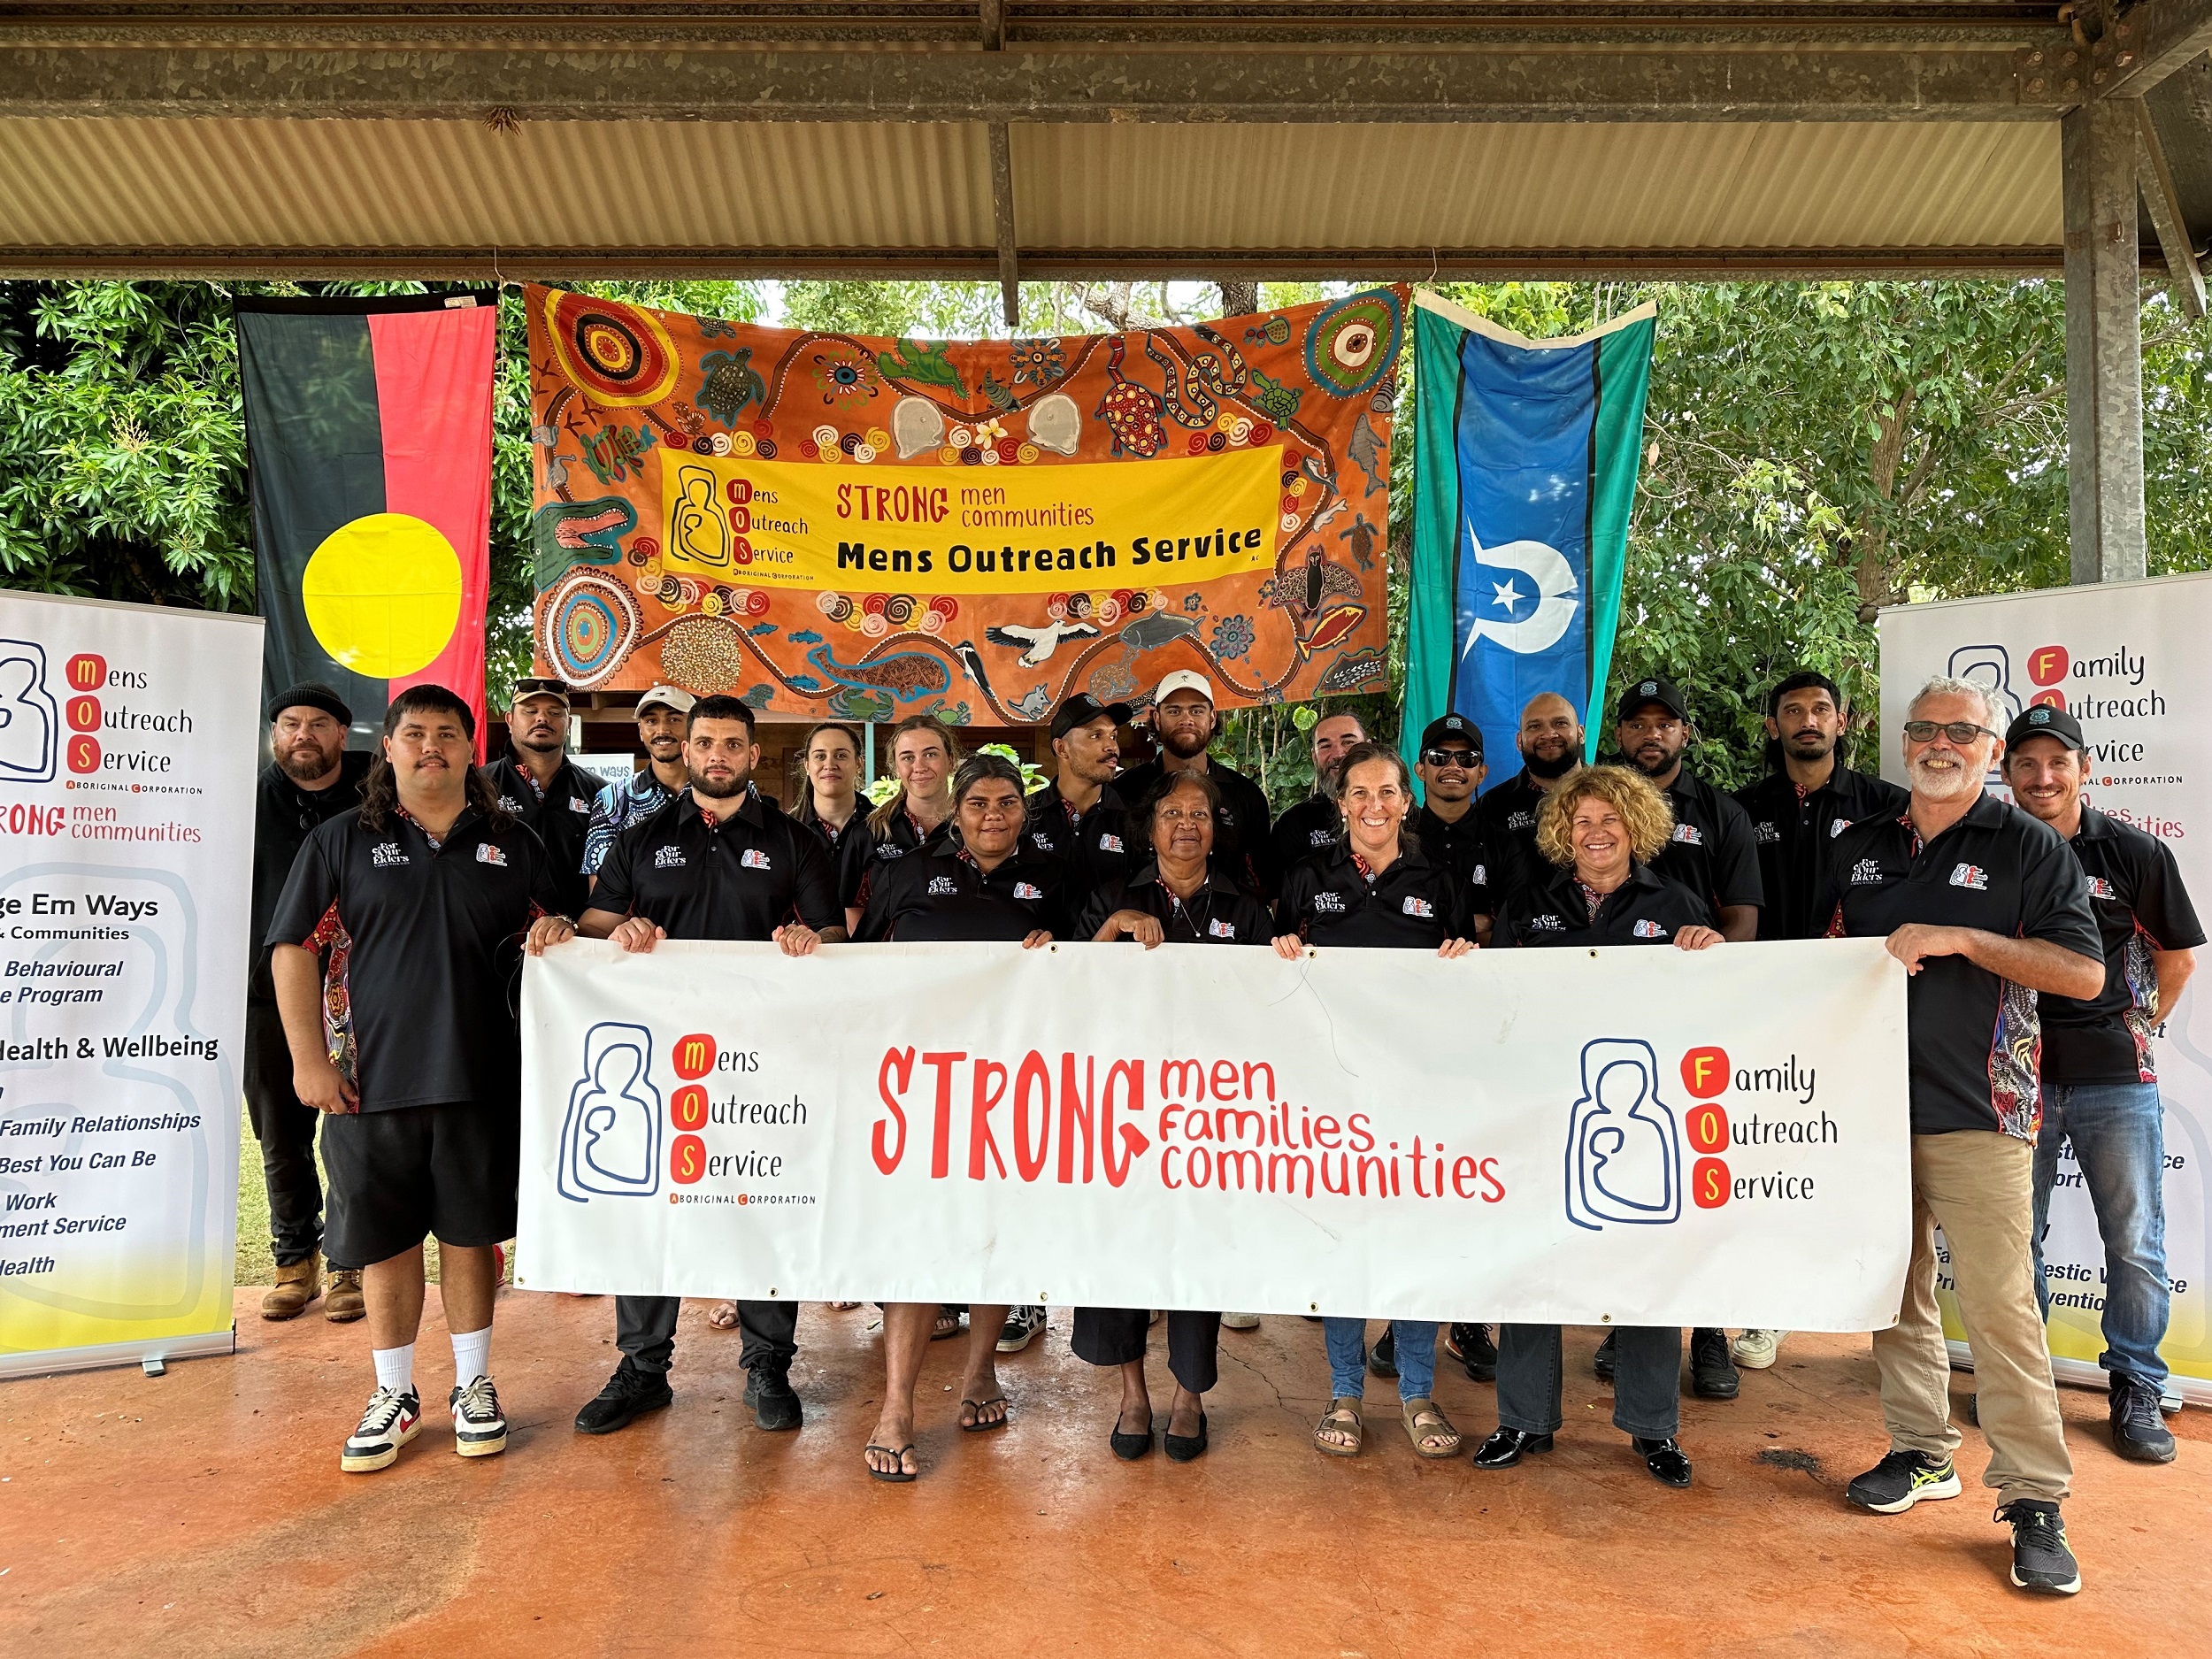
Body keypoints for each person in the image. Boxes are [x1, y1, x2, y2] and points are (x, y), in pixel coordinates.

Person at [1820, 676, 2104, 1596]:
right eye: (1926, 729)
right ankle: (1920, 1450)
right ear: (1905, 742)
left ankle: (2034, 1498)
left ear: (1991, 751)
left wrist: (1965, 939)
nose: (1941, 743)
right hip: (1868, 1114)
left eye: (1962, 731)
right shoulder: (1858, 845)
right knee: (1894, 1292)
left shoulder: (2028, 845)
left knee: (1999, 1308)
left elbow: (2083, 975)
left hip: (1983, 1112)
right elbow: (1819, 963)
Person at [266, 685, 570, 1475]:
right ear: (390, 748)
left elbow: (563, 934)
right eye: (415, 733)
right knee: (387, 1242)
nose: (431, 745)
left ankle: (473, 1384)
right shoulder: (341, 839)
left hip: (481, 1078)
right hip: (369, 1084)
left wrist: (558, 926)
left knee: (470, 1238)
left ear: (472, 750)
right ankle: (393, 1393)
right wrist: (308, 1059)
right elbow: (293, 948)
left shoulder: (514, 842)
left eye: (447, 733)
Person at [553, 695, 845, 1444]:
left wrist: (808, 940)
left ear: (753, 754)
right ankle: (642, 1367)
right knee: (652, 1198)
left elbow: (834, 933)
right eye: (706, 742)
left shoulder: (794, 842)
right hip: (662, 1062)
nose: (718, 755)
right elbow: (593, 926)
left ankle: (768, 1362)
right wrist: (618, 928)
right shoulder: (642, 838)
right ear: (685, 750)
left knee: (761, 1196)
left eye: (733, 743)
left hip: (764, 1063)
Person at [1479, 764, 1723, 1488]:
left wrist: (1710, 957)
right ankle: (1523, 1418)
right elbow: (1493, 1003)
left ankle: (1653, 1427)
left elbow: (1710, 1008)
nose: (1596, 832)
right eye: (1582, 820)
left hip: (1642, 1114)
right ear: (1563, 831)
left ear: (1636, 825)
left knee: (1647, 1262)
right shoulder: (1530, 905)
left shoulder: (1675, 904)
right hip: (1544, 1110)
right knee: (1532, 1260)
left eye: (1610, 818)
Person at [855, 752, 1064, 1481]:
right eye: (978, 803)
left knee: (993, 1229)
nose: (993, 816)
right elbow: (858, 966)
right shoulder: (906, 873)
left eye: (1007, 803)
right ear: (957, 809)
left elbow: (1090, 971)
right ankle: (897, 1404)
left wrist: (1061, 954)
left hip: (1014, 1085)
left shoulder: (1054, 877)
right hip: (919, 1084)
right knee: (915, 1237)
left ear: (1025, 810)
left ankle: (980, 1371)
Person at [2002, 703, 2200, 1464]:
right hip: (2013, 1078)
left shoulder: (2133, 851)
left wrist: (2136, 1024)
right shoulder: (1993, 849)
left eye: (2059, 761)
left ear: (2085, 768)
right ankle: (2024, 1383)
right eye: (2027, 762)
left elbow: (2178, 957)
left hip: (2115, 1077)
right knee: (2016, 1238)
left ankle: (2137, 1384)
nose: (2043, 776)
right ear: (2007, 773)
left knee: (2135, 1241)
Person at [1272, 742, 1472, 1462]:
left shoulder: (1439, 879)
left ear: (1406, 800)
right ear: (1341, 803)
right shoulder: (1308, 877)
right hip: (1333, 1093)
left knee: (1416, 1236)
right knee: (1345, 1237)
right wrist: (1282, 947)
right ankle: (1345, 1390)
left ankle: (1418, 1390)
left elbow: (1473, 989)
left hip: (1417, 1092)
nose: (1374, 805)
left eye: (1387, 791)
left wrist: (1464, 963)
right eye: (1360, 792)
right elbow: (1274, 977)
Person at [1071, 771, 1272, 1463]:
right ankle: (1133, 1393)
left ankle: (1189, 1395)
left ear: (1216, 827)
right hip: (1122, 1101)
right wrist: (1113, 927)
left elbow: (1271, 1005)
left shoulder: (1244, 907)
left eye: (1199, 813)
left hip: (1208, 1109)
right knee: (1121, 1240)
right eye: (1172, 812)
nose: (1187, 824)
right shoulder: (1113, 895)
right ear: (1150, 826)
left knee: (1197, 1244)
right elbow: (1066, 987)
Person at [1728, 670, 1907, 1373]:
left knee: (1845, 1154)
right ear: (1773, 725)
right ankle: (1765, 1306)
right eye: (1793, 710)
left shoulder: (1886, 806)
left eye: (1821, 708)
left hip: (1856, 1013)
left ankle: (1868, 1309)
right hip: (1762, 1011)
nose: (1808, 719)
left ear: (1843, 722)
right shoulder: (1743, 809)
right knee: (1765, 1157)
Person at [1611, 675, 1764, 1400]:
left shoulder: (1723, 814)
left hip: (1696, 1021)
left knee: (1698, 1176)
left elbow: (1743, 919)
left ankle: (1708, 1331)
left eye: (1664, 723)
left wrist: (1703, 973)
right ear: (1620, 736)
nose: (1652, 734)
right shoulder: (1597, 805)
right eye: (1638, 723)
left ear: (1685, 733)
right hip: (1615, 1023)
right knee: (1628, 1169)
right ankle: (1628, 1322)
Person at [248, 683, 373, 1323]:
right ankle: (294, 1259)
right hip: (266, 993)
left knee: (353, 1130)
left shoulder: (375, 794)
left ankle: (349, 1260)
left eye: (318, 724)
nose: (304, 734)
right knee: (281, 1132)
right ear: (274, 734)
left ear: (342, 733)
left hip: (360, 992)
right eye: (290, 723)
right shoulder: (243, 800)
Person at [1408, 712, 1499, 1378]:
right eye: (1439, 756)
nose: (1452, 767)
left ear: (1482, 771)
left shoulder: (1505, 835)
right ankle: (1405, 1315)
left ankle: (1467, 1319)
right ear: (1420, 768)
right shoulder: (1393, 829)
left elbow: (1507, 924)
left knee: (1468, 1169)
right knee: (1408, 1169)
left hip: (1481, 1027)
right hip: (1406, 1028)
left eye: (1465, 758)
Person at [1115, 670, 1279, 899]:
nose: (1186, 720)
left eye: (1196, 710)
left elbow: (1265, 880)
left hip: (1228, 919)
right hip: (1141, 918)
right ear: (1157, 719)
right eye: (1174, 711)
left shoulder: (1246, 795)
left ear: (1212, 719)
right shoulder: (1124, 791)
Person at [482, 675, 597, 918]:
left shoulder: (599, 792)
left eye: (554, 713)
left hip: (574, 934)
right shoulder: (477, 787)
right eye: (530, 711)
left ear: (569, 723)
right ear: (510, 720)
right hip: (495, 934)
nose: (542, 719)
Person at [837, 713, 960, 935]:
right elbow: (854, 910)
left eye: (930, 754)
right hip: (885, 956)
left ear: (951, 761)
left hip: (957, 954)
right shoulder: (868, 834)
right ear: (895, 768)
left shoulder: (973, 830)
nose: (919, 766)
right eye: (908, 757)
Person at [1024, 693, 1136, 918]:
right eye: (1096, 736)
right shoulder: (1024, 815)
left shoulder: (1133, 819)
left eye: (1113, 736)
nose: (1112, 747)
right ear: (1061, 748)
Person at [1477, 692, 1586, 902]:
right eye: (1535, 726)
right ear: (1519, 741)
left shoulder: (1612, 797)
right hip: (1519, 922)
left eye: (1560, 723)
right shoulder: (1493, 805)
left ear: (1581, 733)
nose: (1549, 734)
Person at [581, 685, 695, 885]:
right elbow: (601, 886)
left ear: (695, 728)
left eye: (674, 719)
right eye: (651, 721)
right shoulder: (613, 798)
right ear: (641, 731)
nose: (662, 730)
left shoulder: (721, 791)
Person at [1271, 710, 1367, 876]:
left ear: (1369, 748)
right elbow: (1281, 891)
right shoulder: (1292, 824)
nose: (1338, 754)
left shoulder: (1398, 814)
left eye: (1348, 742)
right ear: (1314, 757)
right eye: (1325, 746)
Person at [787, 720, 865, 853]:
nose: (829, 765)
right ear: (807, 765)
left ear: (858, 764)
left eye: (841, 755)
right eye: (820, 756)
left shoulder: (884, 825)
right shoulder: (786, 829)